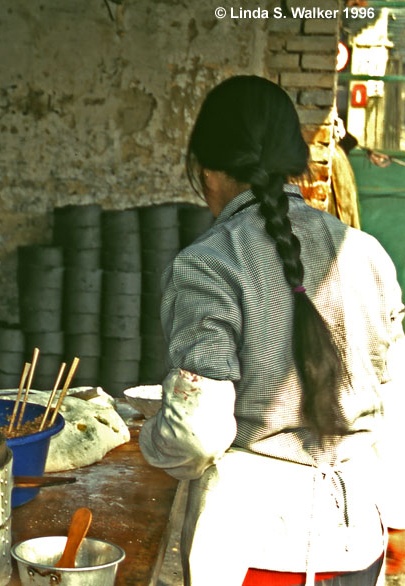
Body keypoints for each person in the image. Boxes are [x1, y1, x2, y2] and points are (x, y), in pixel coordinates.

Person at [139, 75, 404, 585]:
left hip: (258, 551)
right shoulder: (368, 254)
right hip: (356, 540)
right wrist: (396, 519)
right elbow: (396, 400)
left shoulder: (209, 263)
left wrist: (151, 441)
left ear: (207, 169)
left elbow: (197, 433)